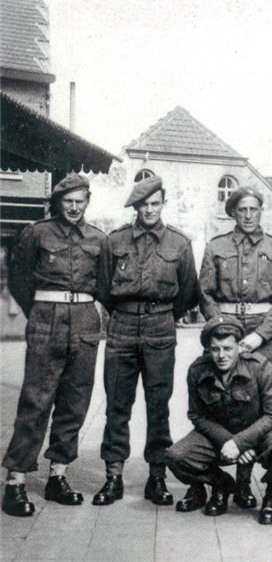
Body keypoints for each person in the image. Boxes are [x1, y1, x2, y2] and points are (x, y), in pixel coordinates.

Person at [2, 174, 106, 517]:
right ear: (57, 202)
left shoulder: (98, 239)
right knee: (36, 399)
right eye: (68, 201)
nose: (74, 208)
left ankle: (58, 475)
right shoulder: (36, 233)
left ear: (87, 202)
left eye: (80, 201)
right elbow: (18, 279)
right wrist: (43, 313)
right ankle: (15, 481)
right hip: (47, 318)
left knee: (75, 402)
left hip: (86, 322)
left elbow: (103, 285)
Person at [93, 176, 199, 506]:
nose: (149, 210)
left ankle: (157, 478)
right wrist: (127, 310)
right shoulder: (115, 240)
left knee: (158, 406)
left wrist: (161, 313)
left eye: (155, 203)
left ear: (163, 203)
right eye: (144, 205)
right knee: (117, 405)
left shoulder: (179, 243)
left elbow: (188, 292)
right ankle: (113, 476)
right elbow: (103, 286)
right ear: (136, 208)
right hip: (122, 325)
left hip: (160, 327)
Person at [165, 316, 272, 524]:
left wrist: (240, 442)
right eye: (215, 349)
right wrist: (228, 441)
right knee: (176, 456)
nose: (221, 356)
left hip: (259, 434)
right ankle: (221, 484)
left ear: (239, 347)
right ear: (208, 349)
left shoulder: (260, 367)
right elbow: (196, 414)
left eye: (227, 348)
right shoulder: (198, 370)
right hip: (219, 436)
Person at [199, 185, 272, 371]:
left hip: (264, 328)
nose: (248, 216)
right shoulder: (216, 247)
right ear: (234, 212)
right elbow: (205, 294)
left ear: (261, 211)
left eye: (253, 209)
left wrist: (261, 334)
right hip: (224, 325)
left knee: (266, 388)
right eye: (243, 210)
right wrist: (221, 328)